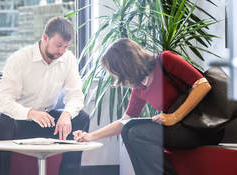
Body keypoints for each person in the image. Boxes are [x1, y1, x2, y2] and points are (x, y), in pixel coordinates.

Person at [73, 38, 216, 175]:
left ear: (127, 65)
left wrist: (174, 116)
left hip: (198, 128)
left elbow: (203, 85)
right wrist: (90, 136)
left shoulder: (165, 60)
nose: (118, 77)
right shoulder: (139, 86)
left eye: (118, 72)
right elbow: (124, 121)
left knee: (136, 132)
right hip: (176, 129)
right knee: (128, 129)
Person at [0, 16, 90, 175]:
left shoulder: (68, 59)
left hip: (47, 120)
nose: (62, 51)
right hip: (18, 120)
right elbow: (3, 102)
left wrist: (66, 114)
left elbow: (76, 96)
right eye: (58, 45)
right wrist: (30, 113)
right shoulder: (19, 60)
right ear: (45, 38)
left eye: (66, 46)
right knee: (1, 122)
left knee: (81, 118)